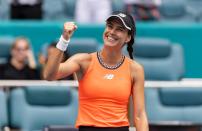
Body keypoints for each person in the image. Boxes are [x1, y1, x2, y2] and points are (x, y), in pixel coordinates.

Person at [43, 11, 148, 131]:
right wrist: (64, 39)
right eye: (110, 26)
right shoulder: (83, 61)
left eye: (119, 29)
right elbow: (49, 75)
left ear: (128, 37)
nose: (112, 32)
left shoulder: (135, 69)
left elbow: (140, 115)